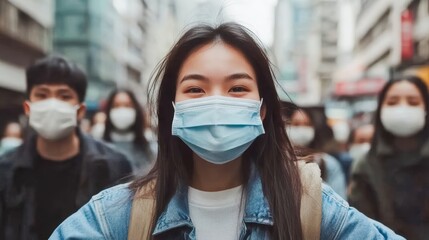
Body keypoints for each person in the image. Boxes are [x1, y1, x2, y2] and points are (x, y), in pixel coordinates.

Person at [50, 23, 404, 240]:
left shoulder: (311, 209)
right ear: (171, 110)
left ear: (263, 110)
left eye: (237, 89)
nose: (216, 103)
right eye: (195, 89)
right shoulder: (118, 217)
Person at [0, 56, 132, 240]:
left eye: (64, 96)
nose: (52, 104)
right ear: (28, 107)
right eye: (42, 95)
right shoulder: (6, 171)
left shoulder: (114, 166)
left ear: (80, 111)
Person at [349, 76, 429, 240]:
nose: (403, 109)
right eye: (392, 102)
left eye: (413, 102)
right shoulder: (365, 166)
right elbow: (361, 228)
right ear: (381, 111)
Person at [284, 104, 347, 199]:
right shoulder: (279, 162)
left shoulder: (328, 163)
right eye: (296, 124)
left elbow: (340, 202)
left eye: (306, 124)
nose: (301, 129)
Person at [102, 89, 154, 175]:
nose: (122, 110)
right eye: (116, 106)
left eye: (127, 105)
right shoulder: (99, 148)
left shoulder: (150, 148)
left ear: (136, 110)